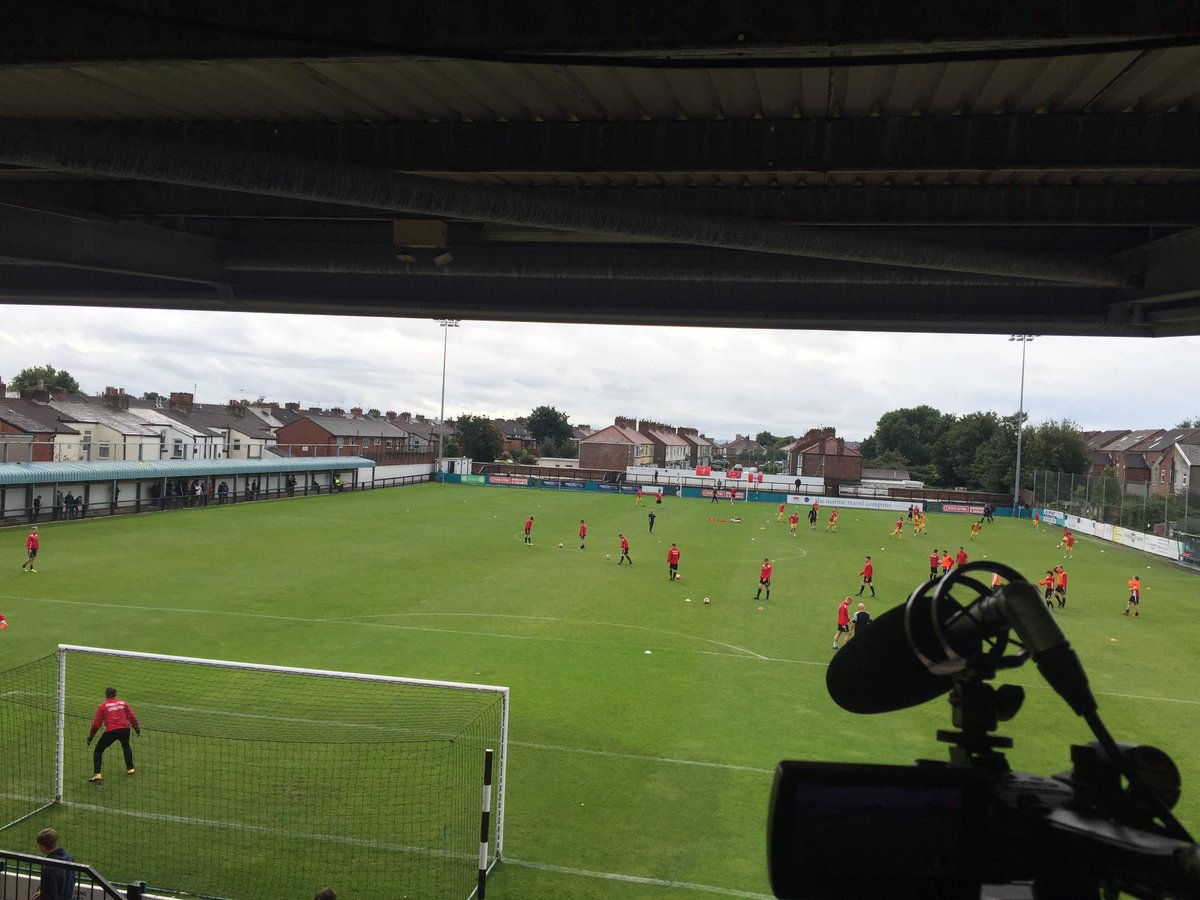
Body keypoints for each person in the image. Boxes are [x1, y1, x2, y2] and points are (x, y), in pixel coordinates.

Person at [87, 687, 141, 782]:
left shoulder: (102, 706)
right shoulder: (123, 703)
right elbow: (132, 717)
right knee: (126, 746)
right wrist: (137, 729)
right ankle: (130, 769)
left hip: (111, 731)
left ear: (106, 695)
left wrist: (91, 736)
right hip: (125, 729)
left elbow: (96, 724)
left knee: (98, 751)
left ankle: (97, 775)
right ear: (115, 694)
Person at [32, 828, 75, 900]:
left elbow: (51, 893)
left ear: (42, 846)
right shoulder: (68, 857)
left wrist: (44, 895)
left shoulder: (48, 867)